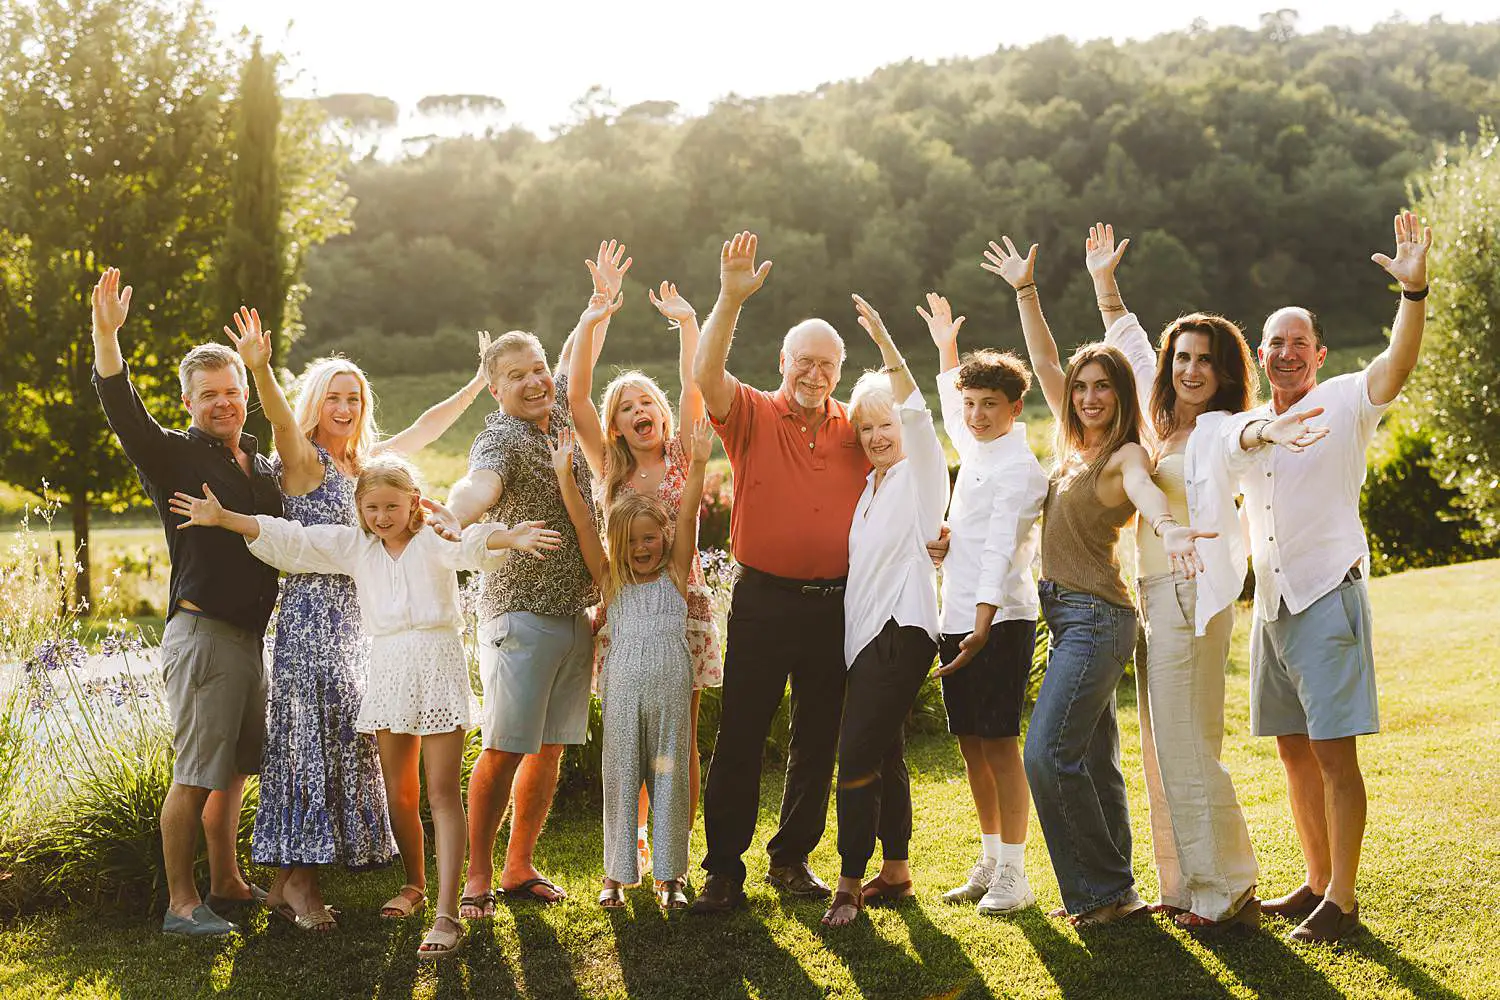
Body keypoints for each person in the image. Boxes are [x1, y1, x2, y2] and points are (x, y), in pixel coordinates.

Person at [169, 457, 561, 957]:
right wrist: (225, 518)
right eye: (372, 508)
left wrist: (510, 537)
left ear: (413, 502)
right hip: (389, 670)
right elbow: (294, 539)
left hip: (437, 664)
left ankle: (446, 916)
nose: (381, 517)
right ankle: (414, 885)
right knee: (400, 793)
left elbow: (472, 543)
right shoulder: (357, 546)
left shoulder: (432, 538)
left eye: (392, 507)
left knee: (442, 793)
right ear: (359, 508)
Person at [1085, 223, 1328, 931]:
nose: (1192, 369)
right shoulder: (1159, 421)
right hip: (1158, 595)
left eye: (1206, 361)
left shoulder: (1221, 426)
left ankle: (1224, 890)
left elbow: (1245, 435)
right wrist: (1104, 283)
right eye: (1183, 357)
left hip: (1192, 595)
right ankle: (1189, 882)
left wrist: (1269, 429)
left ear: (1225, 373)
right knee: (1168, 745)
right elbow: (1130, 341)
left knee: (1188, 747)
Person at [221, 308, 494, 929]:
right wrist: (261, 370)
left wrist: (477, 384)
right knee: (309, 743)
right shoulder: (305, 460)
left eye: (354, 398)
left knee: (343, 743)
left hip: (360, 622)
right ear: (316, 403)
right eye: (333, 397)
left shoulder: (367, 467)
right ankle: (301, 886)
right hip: (312, 619)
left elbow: (425, 427)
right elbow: (280, 421)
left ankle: (287, 881)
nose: (344, 408)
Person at [981, 236, 1214, 927]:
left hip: (1096, 618)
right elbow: (1045, 362)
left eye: (1101, 386)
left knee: (1046, 755)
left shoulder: (1125, 453)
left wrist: (1169, 526)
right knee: (1090, 759)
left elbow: (1144, 489)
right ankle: (1122, 892)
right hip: (1067, 617)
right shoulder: (1075, 444)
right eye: (1081, 387)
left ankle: (1097, 892)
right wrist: (1026, 291)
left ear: (1120, 393)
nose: (1086, 396)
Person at [1229, 212, 1432, 943]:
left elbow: (1398, 364)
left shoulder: (1346, 399)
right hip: (1272, 607)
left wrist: (1412, 294)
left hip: (1326, 596)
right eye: (1275, 343)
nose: (1287, 353)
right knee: (1292, 749)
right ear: (1261, 355)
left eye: (1299, 343)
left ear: (1318, 353)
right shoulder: (1248, 428)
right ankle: (1316, 882)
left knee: (1333, 753)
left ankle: (1342, 900)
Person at [90, 268, 281, 936]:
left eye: (232, 391)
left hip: (248, 639)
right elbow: (122, 409)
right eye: (209, 395)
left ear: (244, 395)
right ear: (188, 401)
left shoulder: (259, 463)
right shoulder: (171, 455)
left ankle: (227, 882)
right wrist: (107, 337)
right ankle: (180, 905)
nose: (223, 403)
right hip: (203, 637)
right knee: (197, 772)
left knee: (232, 769)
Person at [687, 232, 874, 915]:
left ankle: (792, 859)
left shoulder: (857, 426)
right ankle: (723, 871)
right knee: (741, 733)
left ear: (840, 371)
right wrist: (730, 299)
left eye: (826, 364)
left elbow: (905, 463)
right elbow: (706, 375)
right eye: (804, 361)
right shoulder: (752, 413)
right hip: (764, 601)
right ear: (783, 363)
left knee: (817, 738)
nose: (814, 374)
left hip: (836, 604)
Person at [445, 261, 625, 916]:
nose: (534, 381)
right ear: (495, 389)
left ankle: (519, 867)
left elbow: (576, 360)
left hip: (574, 614)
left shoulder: (562, 419)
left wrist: (595, 309)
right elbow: (479, 485)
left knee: (549, 749)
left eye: (538, 369)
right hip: (518, 616)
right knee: (503, 747)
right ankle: (476, 877)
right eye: (516, 375)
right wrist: (457, 513)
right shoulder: (501, 436)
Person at [567, 248, 721, 876]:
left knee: (679, 735)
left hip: (683, 600)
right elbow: (576, 394)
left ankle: (672, 855)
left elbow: (694, 384)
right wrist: (596, 313)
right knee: (627, 737)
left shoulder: (683, 454)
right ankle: (626, 851)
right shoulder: (610, 467)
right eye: (626, 407)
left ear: (661, 413)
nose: (639, 412)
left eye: (646, 403)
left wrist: (687, 323)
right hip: (628, 609)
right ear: (616, 426)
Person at [820, 295, 950, 927]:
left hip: (902, 629)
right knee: (886, 751)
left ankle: (848, 882)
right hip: (865, 637)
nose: (876, 436)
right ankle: (895, 870)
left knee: (856, 755)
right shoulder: (869, 487)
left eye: (884, 424)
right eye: (865, 428)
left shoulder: (920, 474)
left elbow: (918, 417)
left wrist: (883, 343)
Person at [918, 294, 1048, 917]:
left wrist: (981, 625)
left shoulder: (1019, 468)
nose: (974, 415)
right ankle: (991, 860)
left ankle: (1016, 874)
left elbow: (999, 551)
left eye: (988, 405)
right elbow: (949, 405)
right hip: (958, 619)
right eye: (970, 403)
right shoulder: (975, 448)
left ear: (1014, 408)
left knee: (999, 744)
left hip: (999, 621)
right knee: (971, 743)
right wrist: (946, 347)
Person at [552, 414, 713, 910]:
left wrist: (699, 464)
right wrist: (565, 476)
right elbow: (584, 524)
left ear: (664, 538)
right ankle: (616, 876)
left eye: (649, 538)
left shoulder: (676, 573)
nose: (641, 548)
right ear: (617, 545)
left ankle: (671, 877)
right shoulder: (611, 579)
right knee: (621, 777)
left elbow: (688, 516)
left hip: (670, 687)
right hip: (622, 689)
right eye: (631, 541)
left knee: (670, 778)